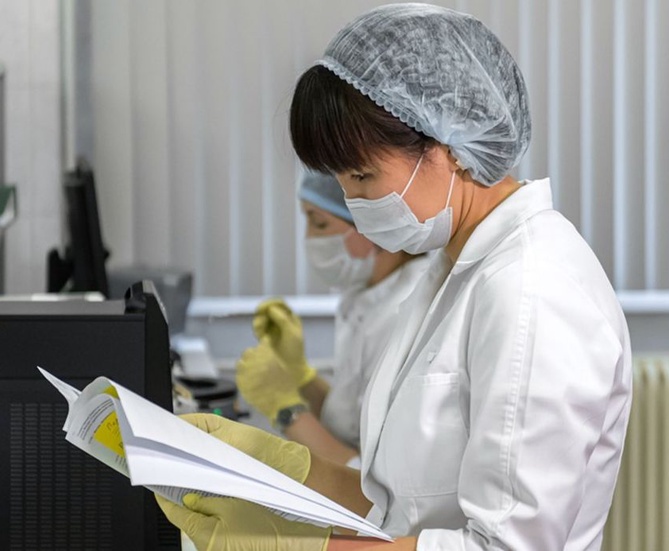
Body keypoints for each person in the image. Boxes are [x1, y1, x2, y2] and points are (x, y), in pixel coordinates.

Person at [158, 4, 633, 550]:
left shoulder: (532, 291)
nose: (354, 203)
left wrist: (303, 548)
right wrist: (275, 467)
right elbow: (396, 506)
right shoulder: (451, 270)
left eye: (363, 175)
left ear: (451, 146)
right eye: (342, 182)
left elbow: (506, 546)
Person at [236, 170, 429, 468]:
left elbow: (370, 478)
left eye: (320, 223)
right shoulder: (363, 296)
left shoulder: (409, 313)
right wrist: (300, 376)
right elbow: (350, 423)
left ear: (372, 227)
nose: (309, 238)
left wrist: (286, 410)